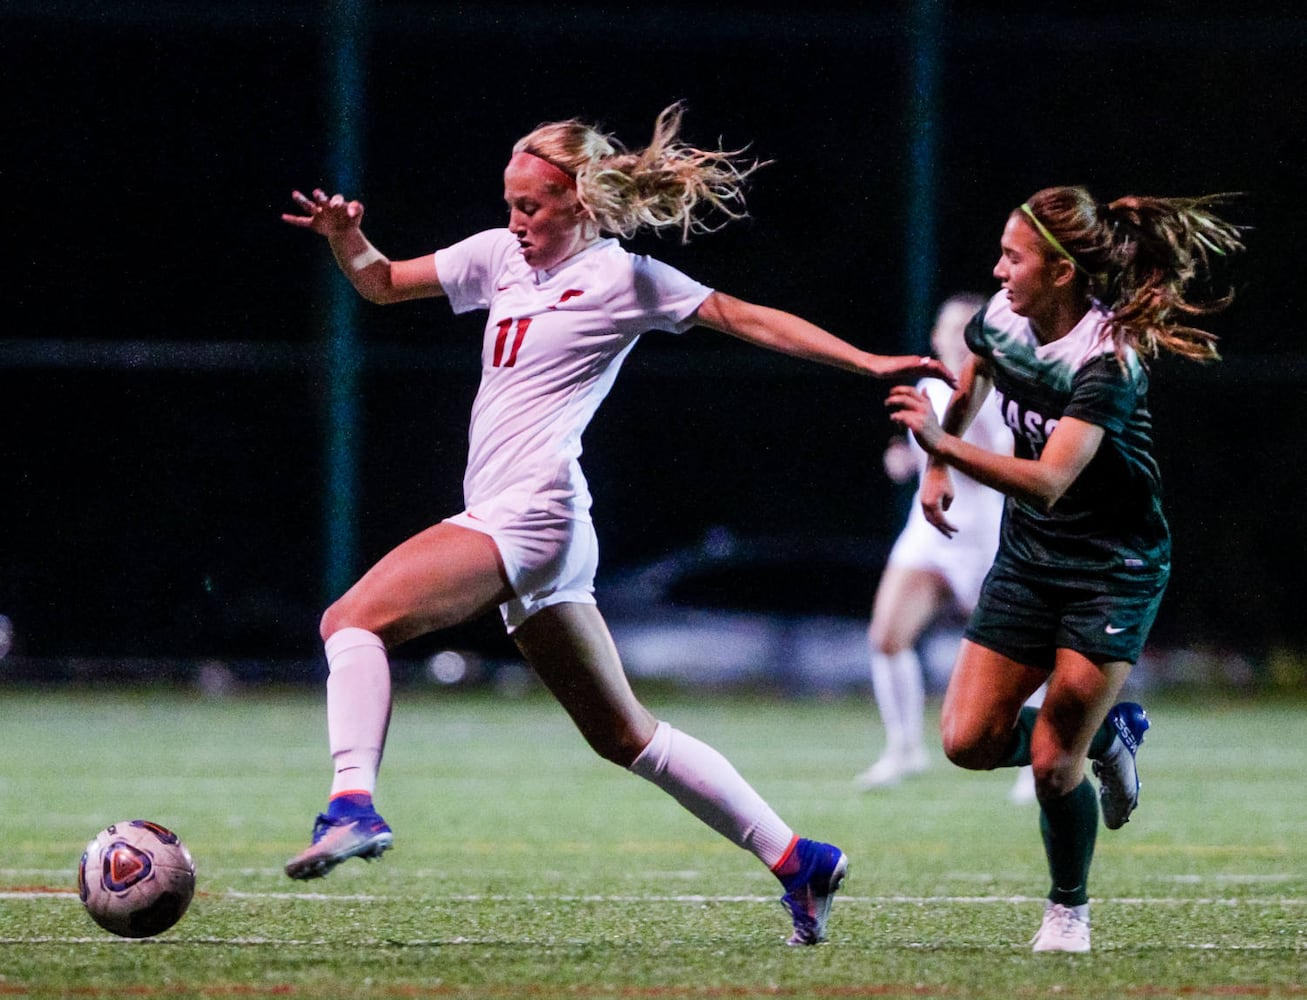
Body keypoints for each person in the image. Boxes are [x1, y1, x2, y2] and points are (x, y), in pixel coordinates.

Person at [279, 102, 954, 946]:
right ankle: (798, 860)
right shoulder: (498, 257)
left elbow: (745, 318)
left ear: (582, 203)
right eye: (509, 201)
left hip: (530, 511)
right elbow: (380, 283)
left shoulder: (623, 278)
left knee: (351, 619)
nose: (515, 219)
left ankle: (350, 805)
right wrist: (345, 237)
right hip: (544, 527)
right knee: (625, 735)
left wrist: (865, 361)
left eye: (531, 205)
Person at [886, 186, 1243, 952]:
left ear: (1059, 271)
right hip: (1027, 561)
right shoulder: (1001, 317)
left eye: (1013, 257)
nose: (997, 268)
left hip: (1112, 568)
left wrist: (941, 449)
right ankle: (1107, 737)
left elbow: (1049, 482)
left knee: (1052, 764)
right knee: (966, 742)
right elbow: (973, 372)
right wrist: (936, 469)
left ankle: (1067, 911)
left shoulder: (1106, 359)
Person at [855, 294, 1041, 801]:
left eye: (966, 329)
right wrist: (903, 457)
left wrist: (958, 419)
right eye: (946, 328)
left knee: (1020, 654)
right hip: (929, 533)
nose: (952, 337)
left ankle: (1038, 760)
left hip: (986, 536)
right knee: (887, 635)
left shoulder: (1002, 389)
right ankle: (903, 748)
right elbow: (922, 450)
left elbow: (1001, 463)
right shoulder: (927, 386)